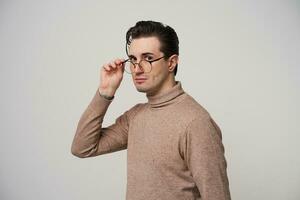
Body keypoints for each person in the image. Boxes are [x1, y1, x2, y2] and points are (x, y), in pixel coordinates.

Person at [71, 20, 231, 200]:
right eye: (133, 59)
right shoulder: (135, 116)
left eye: (148, 58)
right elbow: (82, 148)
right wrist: (105, 92)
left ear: (171, 63)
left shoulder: (196, 122)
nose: (137, 68)